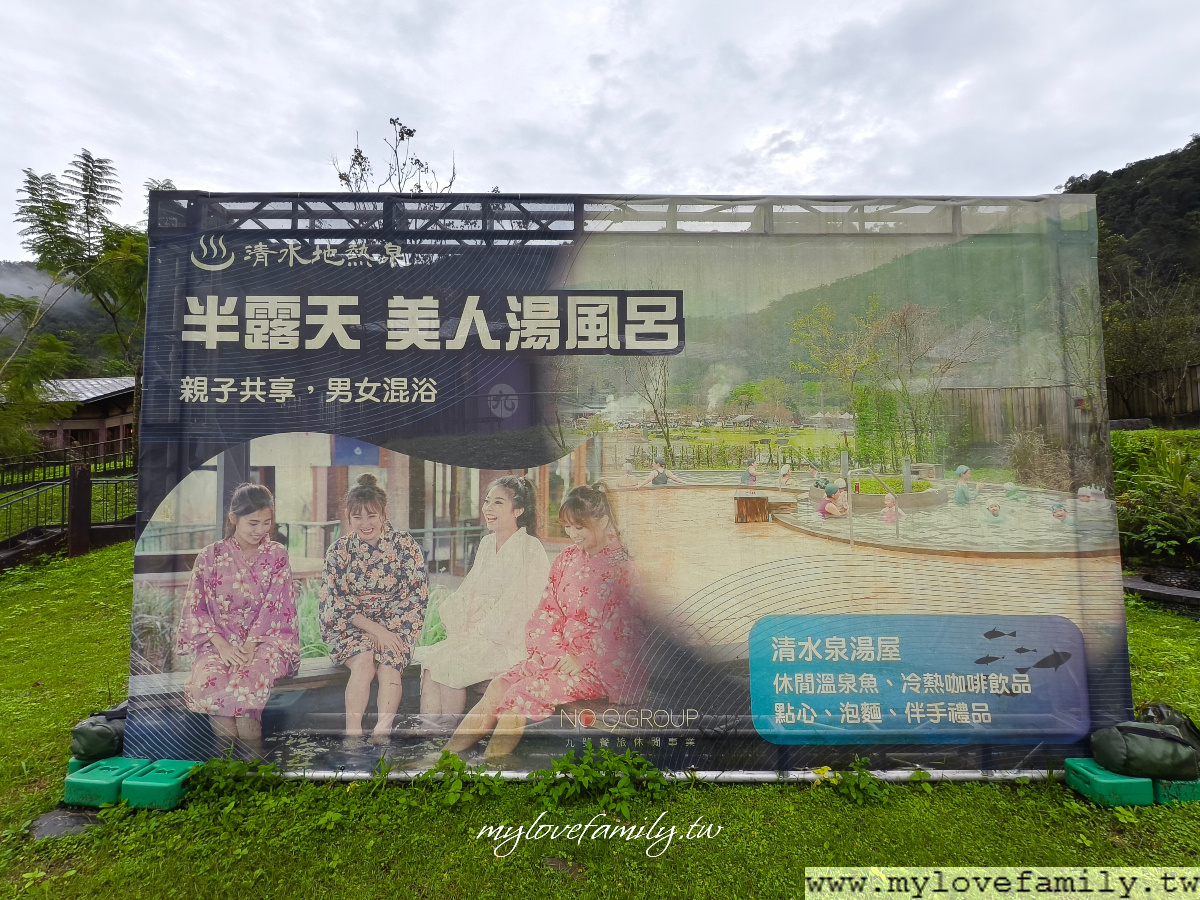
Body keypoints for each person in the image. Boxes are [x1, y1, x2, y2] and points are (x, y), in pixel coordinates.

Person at [443, 483, 645, 760]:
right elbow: (547, 611)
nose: (572, 534)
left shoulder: (623, 569)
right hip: (557, 658)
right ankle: (443, 758)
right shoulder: (566, 559)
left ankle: (490, 768)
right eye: (568, 527)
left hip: (598, 668)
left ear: (602, 521)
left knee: (522, 693)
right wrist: (554, 653)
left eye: (580, 527)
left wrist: (582, 658)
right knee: (499, 685)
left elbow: (623, 631)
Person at [175, 483, 300, 756]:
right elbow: (195, 608)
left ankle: (254, 765)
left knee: (247, 681)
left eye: (266, 523)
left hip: (267, 640)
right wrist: (222, 647)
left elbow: (277, 605)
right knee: (213, 680)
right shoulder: (209, 556)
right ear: (233, 518)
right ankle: (228, 764)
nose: (260, 530)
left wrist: (251, 645)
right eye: (253, 523)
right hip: (217, 642)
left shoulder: (277, 554)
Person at [417, 476, 550, 720]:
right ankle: (427, 732)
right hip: (481, 634)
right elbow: (469, 590)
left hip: (508, 642)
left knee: (451, 665)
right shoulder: (488, 543)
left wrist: (483, 629)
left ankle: (446, 735)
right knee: (432, 660)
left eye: (498, 503)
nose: (488, 508)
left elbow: (521, 605)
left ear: (518, 510)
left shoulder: (531, 549)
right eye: (487, 501)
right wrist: (462, 617)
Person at [319, 474, 429, 744]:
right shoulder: (339, 551)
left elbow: (414, 596)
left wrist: (387, 633)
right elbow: (335, 603)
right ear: (348, 517)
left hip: (395, 627)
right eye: (357, 517)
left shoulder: (405, 546)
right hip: (351, 628)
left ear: (384, 514)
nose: (365, 524)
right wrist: (374, 631)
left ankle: (382, 731)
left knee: (390, 663)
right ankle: (353, 733)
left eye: (371, 516)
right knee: (364, 660)